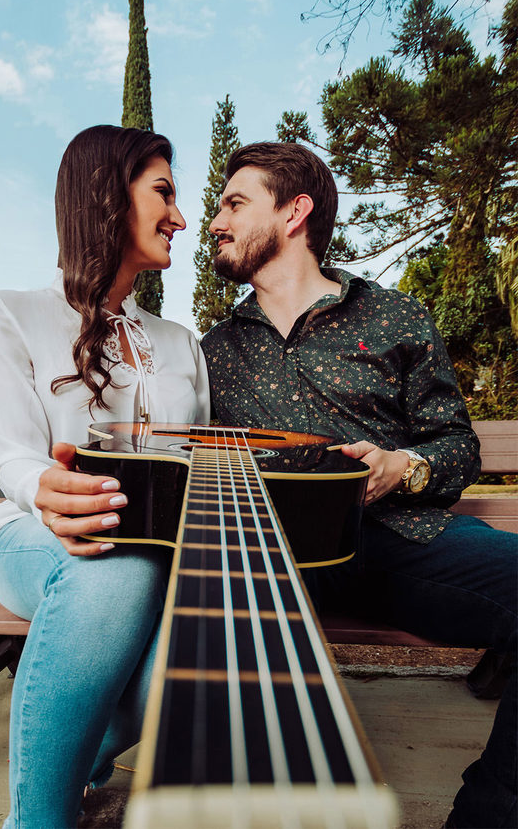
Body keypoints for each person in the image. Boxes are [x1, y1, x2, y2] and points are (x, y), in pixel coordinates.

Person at [201, 141, 517, 829]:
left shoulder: (394, 316)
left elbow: (457, 445)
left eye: (233, 204)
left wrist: (402, 466)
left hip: (398, 539)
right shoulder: (213, 351)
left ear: (294, 212)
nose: (215, 222)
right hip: (276, 558)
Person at [0, 125, 210, 828]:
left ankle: (76, 765)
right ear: (108, 195)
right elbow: (14, 455)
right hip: (33, 538)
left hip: (163, 555)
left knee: (201, 630)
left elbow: (198, 465)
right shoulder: (9, 312)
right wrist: (47, 491)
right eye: (164, 193)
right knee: (116, 565)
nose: (180, 218)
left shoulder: (181, 343)